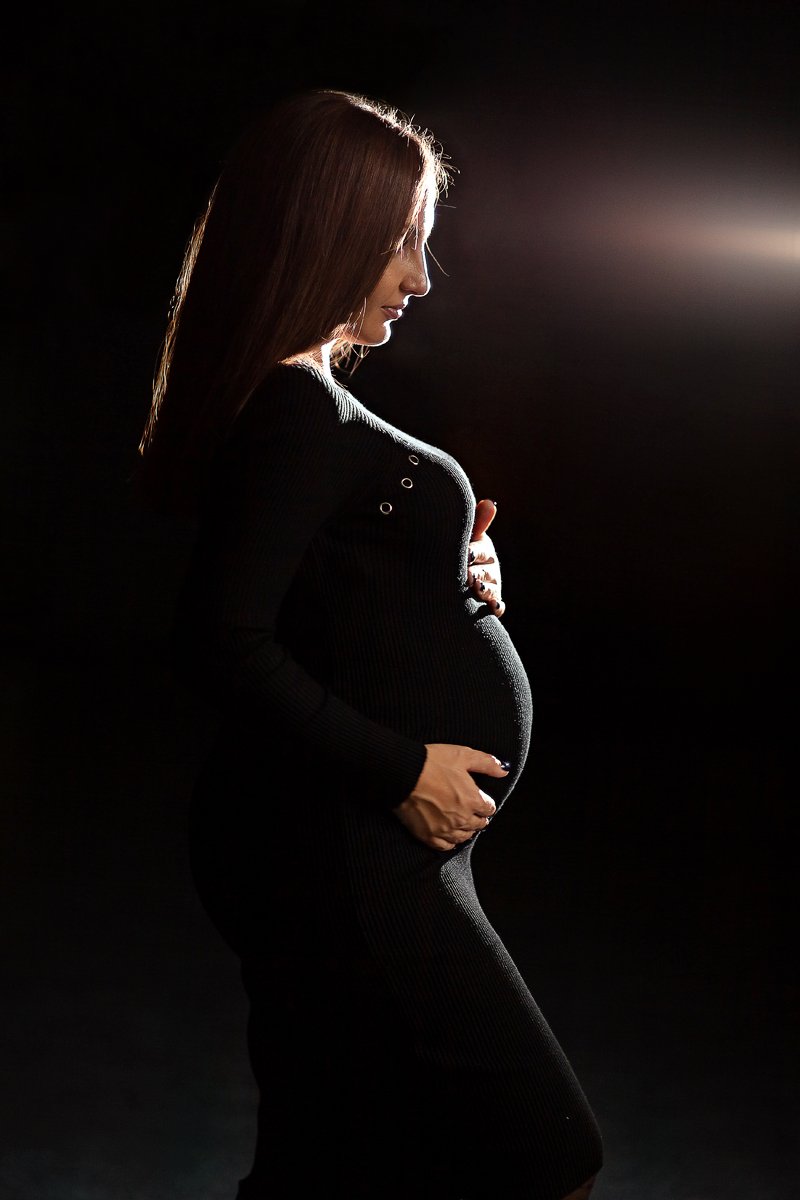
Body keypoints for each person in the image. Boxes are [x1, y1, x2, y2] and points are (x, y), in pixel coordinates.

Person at [138, 89, 602, 1199]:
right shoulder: (296, 414)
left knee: (326, 1164)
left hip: (337, 848)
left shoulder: (292, 410)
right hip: (347, 852)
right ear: (322, 233)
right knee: (546, 1158)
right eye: (400, 243)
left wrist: (450, 571)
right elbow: (220, 641)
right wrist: (402, 769)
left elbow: (318, 605)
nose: (419, 279)